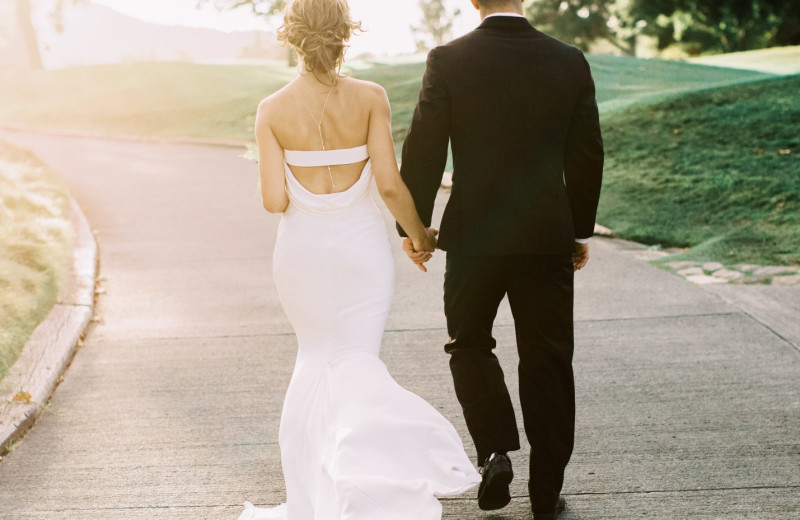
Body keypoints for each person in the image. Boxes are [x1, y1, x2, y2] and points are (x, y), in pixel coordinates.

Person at [238, 0, 481, 518]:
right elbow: (390, 186)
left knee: (314, 360)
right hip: (362, 255)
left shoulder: (271, 110)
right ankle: (361, 481)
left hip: (301, 257)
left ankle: (315, 496)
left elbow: (274, 201)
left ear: (292, 37)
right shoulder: (370, 97)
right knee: (356, 359)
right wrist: (420, 235)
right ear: (345, 34)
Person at [398, 1, 605, 519]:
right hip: (545, 236)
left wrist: (416, 227)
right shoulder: (568, 59)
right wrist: (577, 230)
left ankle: (494, 452)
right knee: (548, 358)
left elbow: (424, 147)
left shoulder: (448, 59)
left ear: (474, 2)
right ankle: (544, 493)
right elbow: (586, 152)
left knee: (468, 344)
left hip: (473, 237)